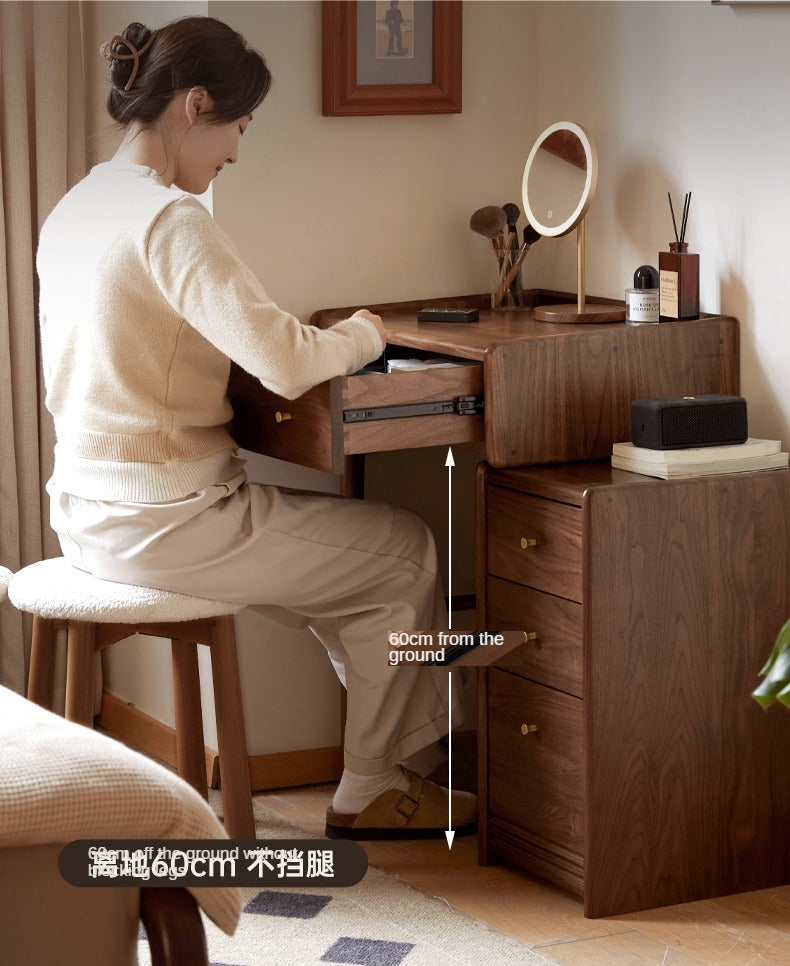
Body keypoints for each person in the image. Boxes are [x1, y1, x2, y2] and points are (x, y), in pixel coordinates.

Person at [36, 16, 475, 840]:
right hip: (169, 523)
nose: (236, 151)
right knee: (406, 550)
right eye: (239, 126)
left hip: (87, 513)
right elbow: (285, 360)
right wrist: (367, 333)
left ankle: (382, 766)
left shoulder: (76, 207)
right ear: (196, 105)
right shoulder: (171, 221)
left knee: (354, 573)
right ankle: (375, 784)